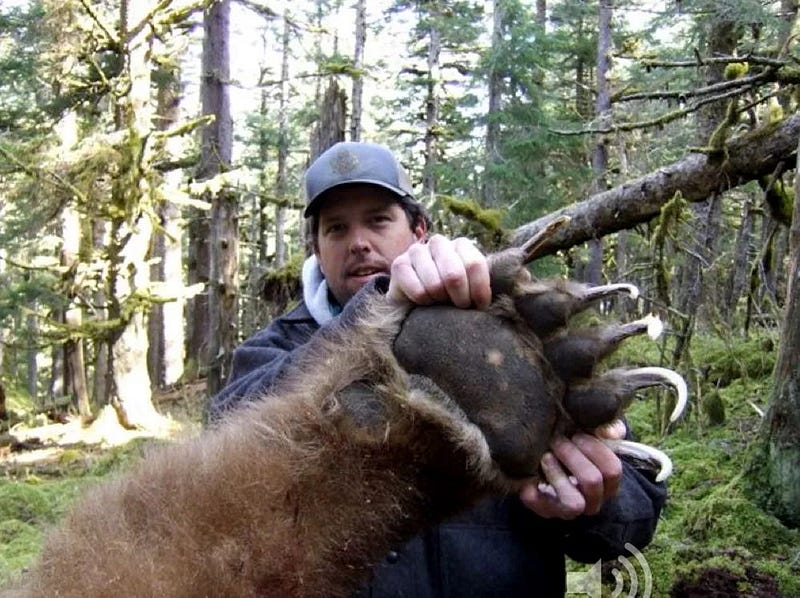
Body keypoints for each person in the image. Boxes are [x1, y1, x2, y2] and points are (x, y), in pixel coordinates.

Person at [208, 141, 666, 597]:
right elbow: (222, 447)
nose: (359, 242)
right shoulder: (272, 353)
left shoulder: (508, 328)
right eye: (336, 229)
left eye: (378, 220)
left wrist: (594, 505)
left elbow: (638, 514)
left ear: (419, 231)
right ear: (316, 249)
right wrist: (379, 314)